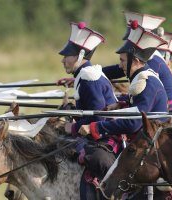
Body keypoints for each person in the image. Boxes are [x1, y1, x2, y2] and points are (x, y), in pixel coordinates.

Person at [78, 24, 172, 200]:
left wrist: (95, 128)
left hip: (151, 147)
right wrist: (121, 105)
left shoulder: (146, 82)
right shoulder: (141, 78)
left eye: (123, 61)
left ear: (136, 61)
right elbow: (140, 109)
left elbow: (134, 122)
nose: (120, 66)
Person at [58, 21, 118, 200]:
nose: (63, 60)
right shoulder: (84, 75)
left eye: (67, 55)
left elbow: (99, 116)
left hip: (107, 139)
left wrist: (73, 128)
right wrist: (70, 110)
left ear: (81, 55)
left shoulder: (89, 78)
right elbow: (90, 110)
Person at [103, 11, 172, 110]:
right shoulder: (147, 58)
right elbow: (117, 69)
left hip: (167, 116)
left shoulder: (151, 62)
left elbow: (145, 100)